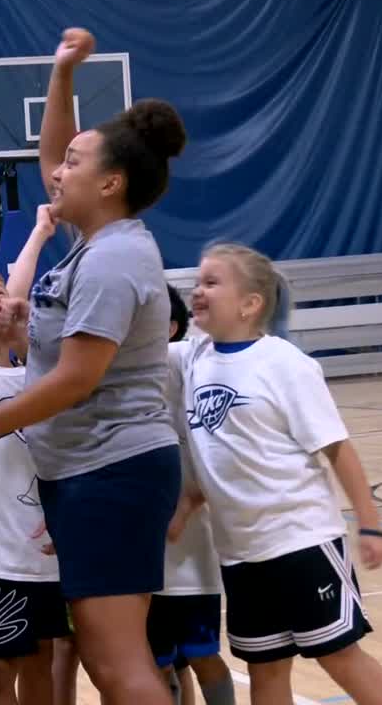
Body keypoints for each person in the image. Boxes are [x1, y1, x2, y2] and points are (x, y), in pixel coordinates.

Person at [0, 27, 187, 705]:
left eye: (74, 164)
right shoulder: (94, 239)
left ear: (111, 182)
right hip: (87, 472)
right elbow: (53, 155)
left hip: (114, 472)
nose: (57, 173)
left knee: (119, 661)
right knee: (105, 659)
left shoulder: (114, 259)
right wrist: (63, 73)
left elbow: (75, 380)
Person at [166, 243, 382, 705]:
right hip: (240, 553)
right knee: (265, 669)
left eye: (212, 282)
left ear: (251, 303)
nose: (197, 290)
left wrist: (370, 523)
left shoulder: (285, 364)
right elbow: (212, 454)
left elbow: (338, 449)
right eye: (197, 281)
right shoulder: (191, 359)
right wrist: (187, 503)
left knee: (339, 656)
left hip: (300, 540)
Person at [0, 208, 67, 705]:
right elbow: (11, 290)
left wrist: (42, 232)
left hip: (46, 551)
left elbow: (17, 292)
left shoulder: (36, 371)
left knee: (41, 660)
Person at [149, 286, 234, 705]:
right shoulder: (114, 375)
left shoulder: (185, 358)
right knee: (159, 661)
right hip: (143, 557)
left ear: (170, 328)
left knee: (203, 656)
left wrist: (187, 504)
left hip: (191, 551)